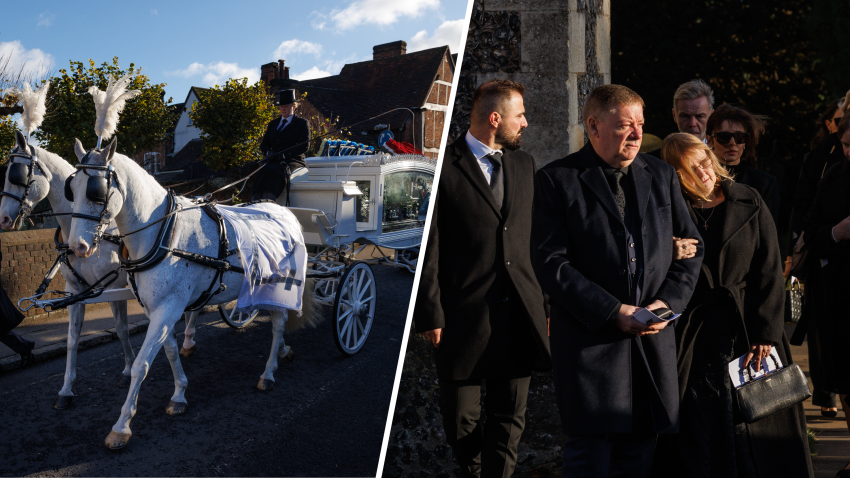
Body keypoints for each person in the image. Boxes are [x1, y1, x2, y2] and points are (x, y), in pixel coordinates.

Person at [531, 84, 702, 478]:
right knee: (589, 463)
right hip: (592, 354)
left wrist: (667, 305)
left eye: (641, 124)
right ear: (594, 125)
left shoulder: (661, 175)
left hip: (651, 350)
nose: (638, 135)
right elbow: (550, 263)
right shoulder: (557, 180)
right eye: (626, 125)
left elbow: (693, 249)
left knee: (639, 462)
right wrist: (614, 311)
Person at [651, 133, 813, 478]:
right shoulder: (667, 211)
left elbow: (769, 270)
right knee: (698, 420)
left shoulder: (748, 199)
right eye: (692, 168)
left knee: (756, 422)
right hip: (692, 334)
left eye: (706, 161)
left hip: (747, 327)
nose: (705, 171)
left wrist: (766, 331)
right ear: (677, 175)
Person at [413, 79, 550, 478]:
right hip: (461, 317)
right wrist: (431, 311)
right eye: (520, 115)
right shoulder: (446, 165)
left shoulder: (525, 165)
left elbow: (534, 242)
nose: (525, 123)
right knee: (460, 422)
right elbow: (431, 244)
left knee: (510, 420)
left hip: (520, 314)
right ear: (495, 118)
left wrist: (544, 306)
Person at [786, 96, 849, 418]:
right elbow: (809, 219)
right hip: (833, 281)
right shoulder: (828, 169)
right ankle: (826, 393)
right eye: (846, 143)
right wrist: (836, 232)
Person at [803, 114, 850, 478]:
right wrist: (837, 232)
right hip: (840, 295)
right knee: (847, 382)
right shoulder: (833, 176)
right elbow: (813, 233)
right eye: (847, 146)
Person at [705, 104, 780, 227]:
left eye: (740, 137)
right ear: (710, 140)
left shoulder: (764, 183)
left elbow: (770, 234)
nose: (733, 143)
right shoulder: (699, 179)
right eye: (724, 137)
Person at [252, 89, 310, 202]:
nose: (283, 109)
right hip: (273, 159)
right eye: (281, 106)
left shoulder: (302, 123)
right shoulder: (273, 124)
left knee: (275, 170)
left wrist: (283, 155)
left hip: (293, 160)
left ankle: (269, 201)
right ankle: (255, 201)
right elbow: (264, 144)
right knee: (262, 169)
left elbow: (304, 146)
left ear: (294, 107)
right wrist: (268, 152)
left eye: (286, 106)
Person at [647, 79, 715, 158]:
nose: (692, 124)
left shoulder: (725, 158)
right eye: (685, 116)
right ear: (674, 116)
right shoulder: (653, 162)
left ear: (711, 117)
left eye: (699, 116)